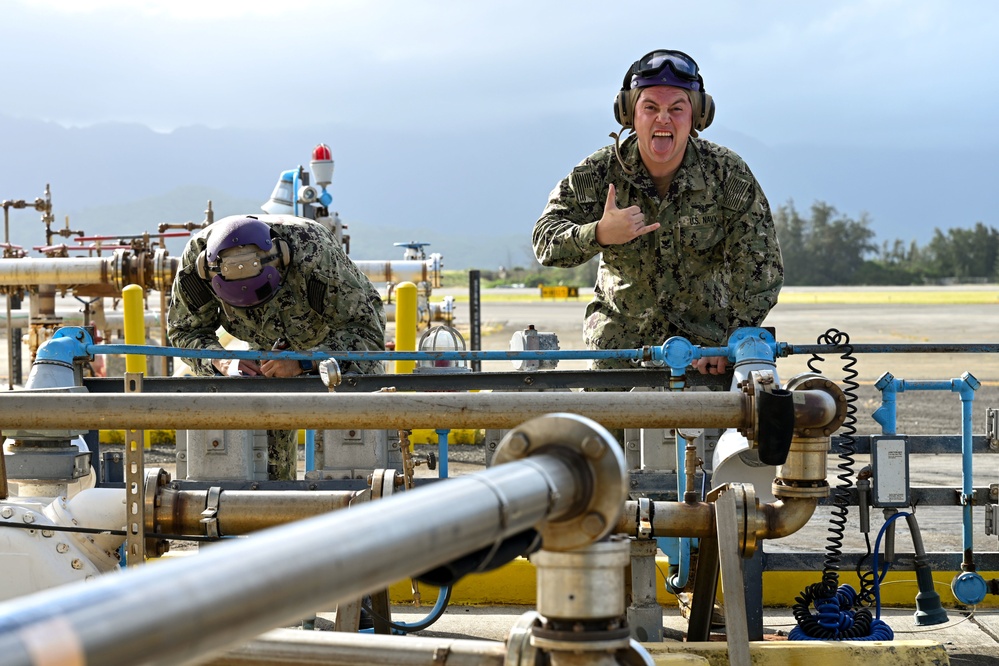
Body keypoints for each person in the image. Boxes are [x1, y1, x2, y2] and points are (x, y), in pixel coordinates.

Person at [532, 49, 784, 627]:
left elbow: (761, 263)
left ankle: (715, 593)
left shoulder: (727, 174)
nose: (663, 120)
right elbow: (546, 241)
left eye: (677, 107)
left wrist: (730, 338)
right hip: (620, 348)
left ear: (697, 114)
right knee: (600, 476)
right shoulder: (600, 171)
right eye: (650, 107)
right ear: (630, 112)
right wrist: (601, 231)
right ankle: (609, 600)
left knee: (727, 474)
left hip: (708, 353)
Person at [168, 214, 386, 481]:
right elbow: (185, 330)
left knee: (350, 434)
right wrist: (223, 362)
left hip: (332, 333)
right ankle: (273, 503)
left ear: (281, 261)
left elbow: (366, 333)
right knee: (265, 434)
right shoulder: (196, 266)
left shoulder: (315, 254)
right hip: (264, 345)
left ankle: (349, 505)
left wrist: (305, 362)